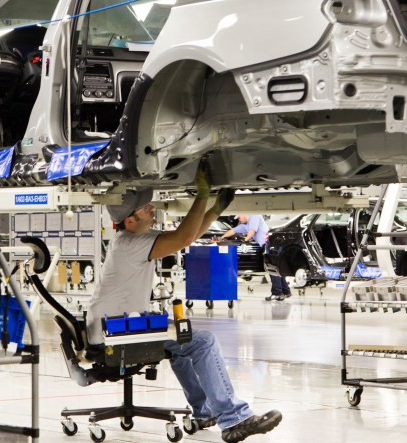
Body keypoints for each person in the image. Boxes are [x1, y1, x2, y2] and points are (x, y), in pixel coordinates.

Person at [86, 167, 283, 443]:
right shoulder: (131, 244)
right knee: (202, 342)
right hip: (116, 337)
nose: (152, 208)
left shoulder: (129, 240)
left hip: (120, 330)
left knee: (182, 343)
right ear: (129, 220)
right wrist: (203, 196)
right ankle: (234, 418)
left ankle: (204, 412)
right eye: (145, 208)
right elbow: (183, 239)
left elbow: (182, 236)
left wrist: (213, 210)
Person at [220, 214, 291, 300]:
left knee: (272, 269)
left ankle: (277, 293)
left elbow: (252, 231)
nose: (239, 220)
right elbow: (233, 231)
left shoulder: (255, 216)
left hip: (270, 244)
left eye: (239, 217)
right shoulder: (244, 226)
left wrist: (246, 239)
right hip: (266, 245)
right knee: (276, 268)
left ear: (244, 215)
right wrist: (222, 237)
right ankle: (286, 291)